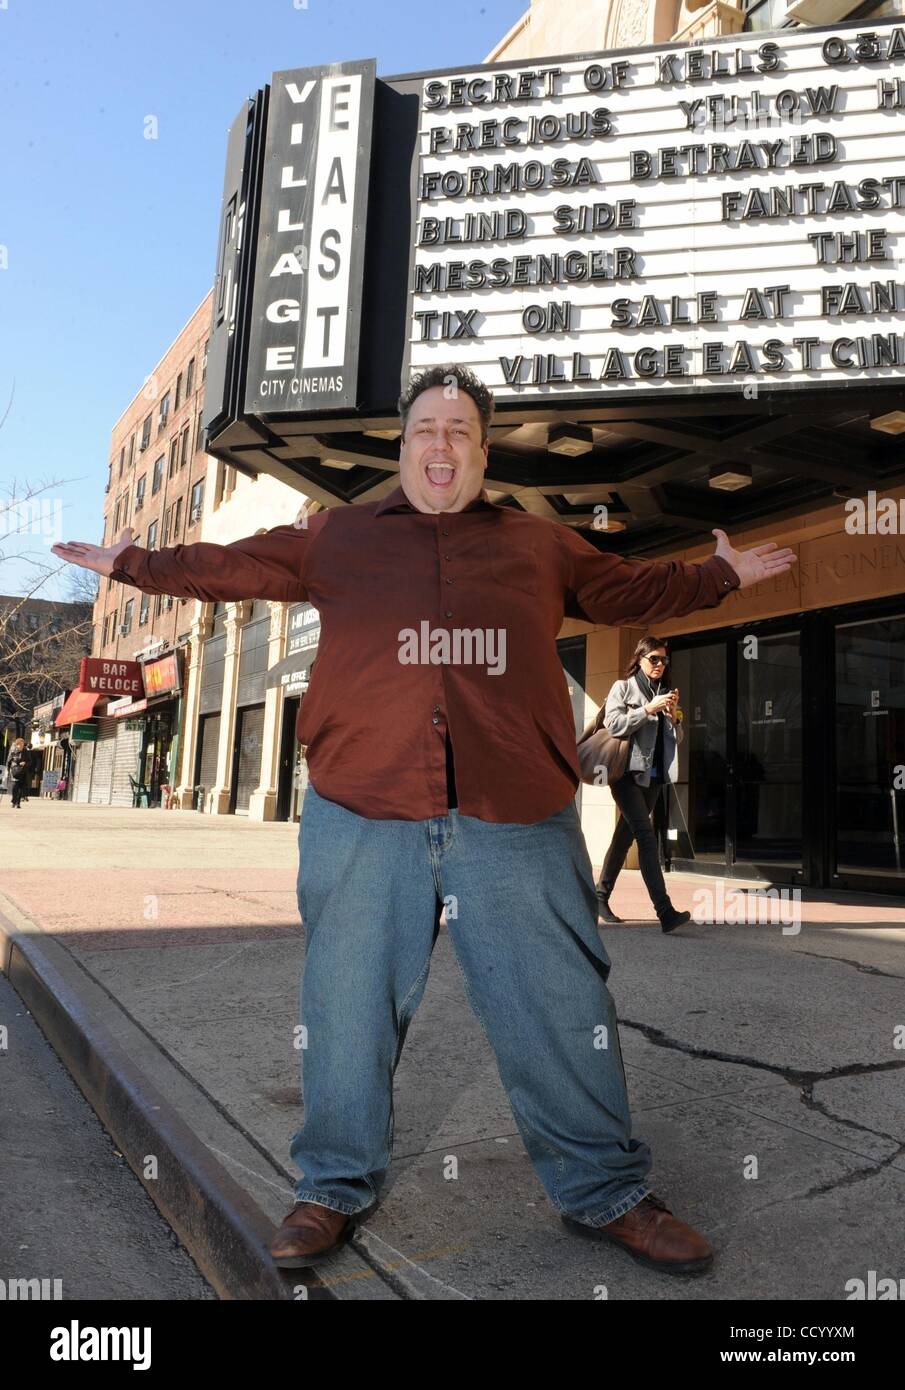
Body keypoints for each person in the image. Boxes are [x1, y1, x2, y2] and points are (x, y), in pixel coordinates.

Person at [52, 364, 796, 1278]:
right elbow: (235, 565)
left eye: (458, 431)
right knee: (345, 1004)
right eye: (423, 429)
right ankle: (330, 1187)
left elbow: (629, 591)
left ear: (482, 452)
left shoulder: (539, 545)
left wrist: (719, 572)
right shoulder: (337, 535)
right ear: (401, 447)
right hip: (364, 806)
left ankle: (604, 1191)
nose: (439, 443)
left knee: (558, 1005)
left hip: (512, 810)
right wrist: (134, 564)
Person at [596, 636, 689, 932]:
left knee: (625, 836)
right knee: (646, 838)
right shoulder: (623, 688)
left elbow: (678, 740)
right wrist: (647, 710)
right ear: (639, 659)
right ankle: (665, 912)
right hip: (626, 774)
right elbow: (614, 724)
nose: (660, 665)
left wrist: (673, 719)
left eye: (664, 660)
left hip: (654, 776)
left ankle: (599, 896)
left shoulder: (664, 692)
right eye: (654, 659)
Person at [7, 737, 33, 809]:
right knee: (15, 788)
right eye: (19, 745)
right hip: (15, 772)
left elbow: (30, 762)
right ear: (17, 745)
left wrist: (25, 763)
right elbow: (9, 761)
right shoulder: (13, 751)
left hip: (23, 772)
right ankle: (13, 801)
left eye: (22, 744)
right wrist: (8, 770)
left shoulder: (26, 752)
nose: (21, 746)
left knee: (21, 788)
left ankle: (18, 803)